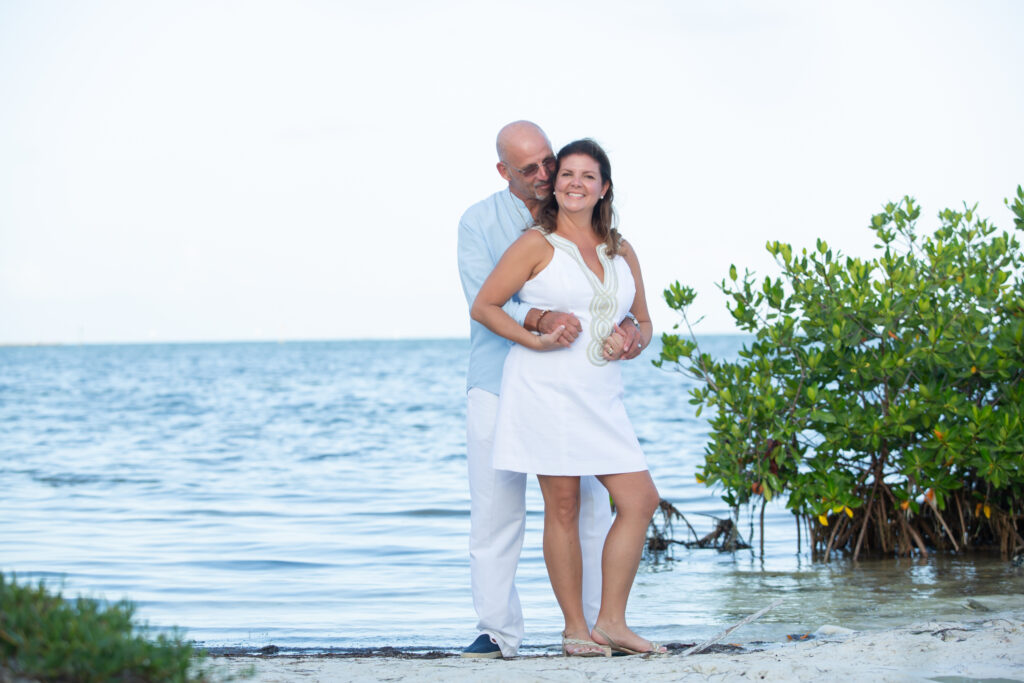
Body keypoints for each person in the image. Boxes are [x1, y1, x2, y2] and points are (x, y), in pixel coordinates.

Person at [471, 138, 665, 656]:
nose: (574, 184)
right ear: (555, 186)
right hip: (545, 392)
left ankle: (612, 622)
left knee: (640, 499)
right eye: (567, 175)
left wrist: (631, 340)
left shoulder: (620, 249)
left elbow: (644, 322)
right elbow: (485, 306)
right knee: (562, 506)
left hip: (602, 395)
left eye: (587, 176)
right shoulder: (536, 243)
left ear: (604, 188)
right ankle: (575, 630)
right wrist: (534, 336)